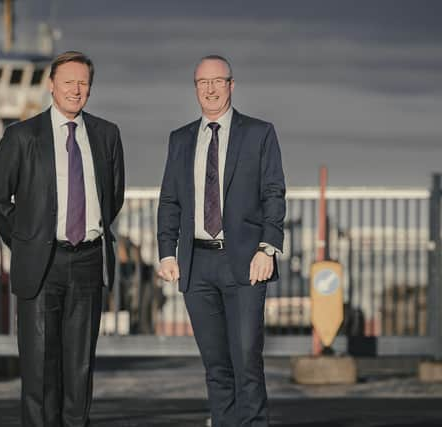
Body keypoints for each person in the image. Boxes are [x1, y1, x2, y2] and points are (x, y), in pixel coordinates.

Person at [0, 50, 125, 427]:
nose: (75, 90)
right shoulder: (22, 136)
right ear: (51, 85)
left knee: (79, 371)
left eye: (83, 83)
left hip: (89, 262)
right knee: (39, 372)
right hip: (41, 265)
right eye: (68, 82)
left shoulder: (107, 135)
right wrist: (28, 240)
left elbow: (114, 196)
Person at [157, 54, 285, 426]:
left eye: (217, 81)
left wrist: (268, 247)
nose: (210, 89)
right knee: (216, 366)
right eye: (202, 83)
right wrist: (167, 252)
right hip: (197, 266)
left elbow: (274, 192)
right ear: (195, 89)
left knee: (246, 360)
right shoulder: (180, 139)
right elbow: (170, 200)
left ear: (231, 85)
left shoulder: (259, 133)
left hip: (246, 261)